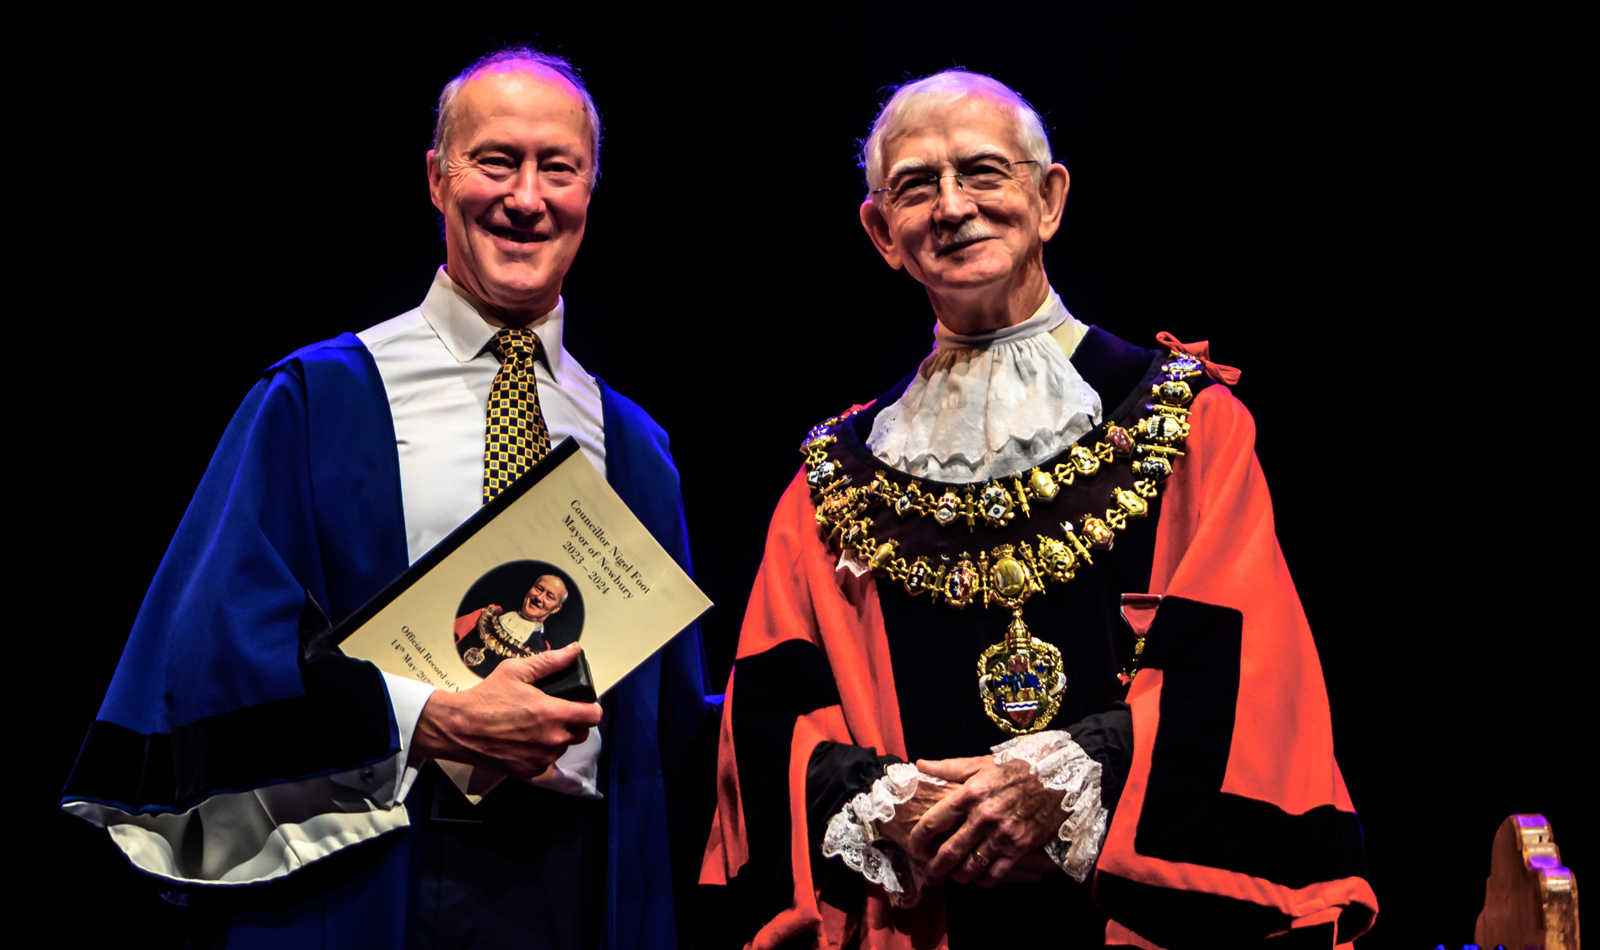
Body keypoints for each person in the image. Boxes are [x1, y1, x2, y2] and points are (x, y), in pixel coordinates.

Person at [697, 71, 1377, 949]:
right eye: (915, 185)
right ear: (881, 233)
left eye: (984, 171)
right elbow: (771, 714)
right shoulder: (828, 487)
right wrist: (899, 808)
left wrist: (1078, 775)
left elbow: (1249, 674)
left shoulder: (1195, 428)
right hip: (925, 916)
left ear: (1048, 198)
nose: (952, 206)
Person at [62, 48, 708, 950]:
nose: (526, 198)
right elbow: (218, 644)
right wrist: (429, 717)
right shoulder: (318, 398)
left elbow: (681, 723)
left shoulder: (636, 448)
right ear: (437, 180)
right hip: (370, 870)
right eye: (495, 161)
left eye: (557, 168)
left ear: (590, 192)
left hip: (581, 886)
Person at [456, 574, 570, 675]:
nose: (539, 598)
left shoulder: (540, 654)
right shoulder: (487, 614)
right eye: (538, 589)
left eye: (549, 596)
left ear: (555, 609)